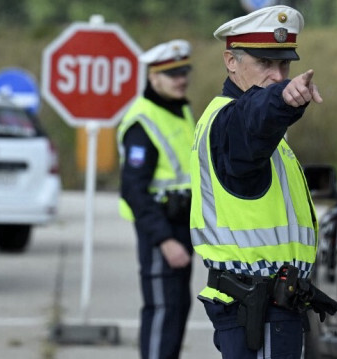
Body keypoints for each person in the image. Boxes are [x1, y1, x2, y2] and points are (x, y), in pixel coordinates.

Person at [190, 5, 337, 359]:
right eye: (265, 64)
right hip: (258, 310)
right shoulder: (232, 121)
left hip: (269, 308)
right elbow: (256, 115)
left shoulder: (251, 127)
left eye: (284, 65)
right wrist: (282, 100)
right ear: (231, 61)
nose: (277, 75)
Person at [117, 39, 195, 359]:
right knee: (163, 308)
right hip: (160, 230)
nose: (181, 79)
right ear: (153, 78)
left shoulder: (180, 110)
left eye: (184, 71)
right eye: (172, 74)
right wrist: (165, 240)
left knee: (177, 306)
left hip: (181, 224)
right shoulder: (142, 122)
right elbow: (133, 190)